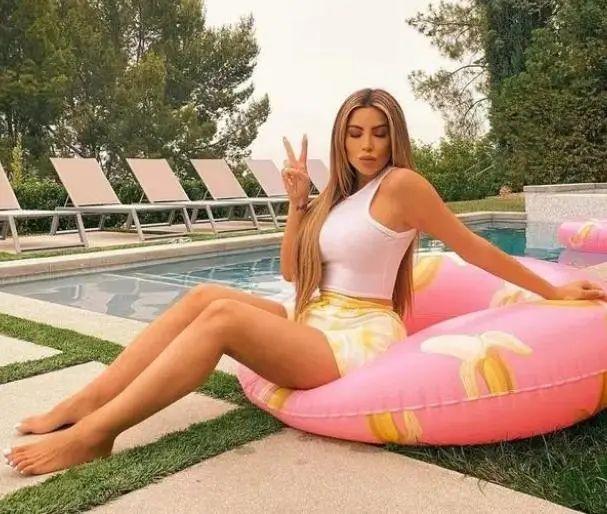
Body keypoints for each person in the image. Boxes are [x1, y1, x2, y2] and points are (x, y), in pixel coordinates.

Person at [3, 88, 605, 476]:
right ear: (342, 136)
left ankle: (97, 433)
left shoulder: (403, 186)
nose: (368, 144)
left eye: (379, 132)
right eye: (356, 132)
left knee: (222, 318)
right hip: (315, 318)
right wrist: (297, 204)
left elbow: (470, 246)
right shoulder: (339, 195)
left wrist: (552, 290)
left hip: (358, 334)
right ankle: (86, 401)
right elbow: (294, 272)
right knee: (204, 295)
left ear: (394, 136)